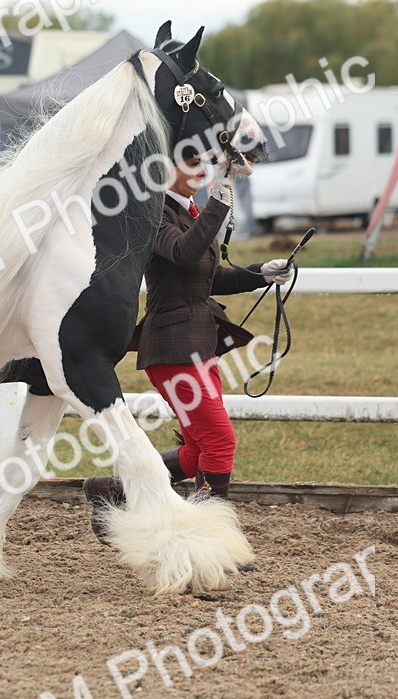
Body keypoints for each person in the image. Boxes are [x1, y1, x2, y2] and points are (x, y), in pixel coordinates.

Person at [83, 155, 293, 540]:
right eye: (190, 163)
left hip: (199, 344)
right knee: (220, 441)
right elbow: (184, 252)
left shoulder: (191, 212)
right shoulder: (152, 216)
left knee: (199, 451)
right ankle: (211, 537)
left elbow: (207, 279)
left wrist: (261, 273)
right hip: (172, 348)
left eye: (203, 164)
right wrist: (221, 201)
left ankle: (111, 491)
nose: (201, 171)